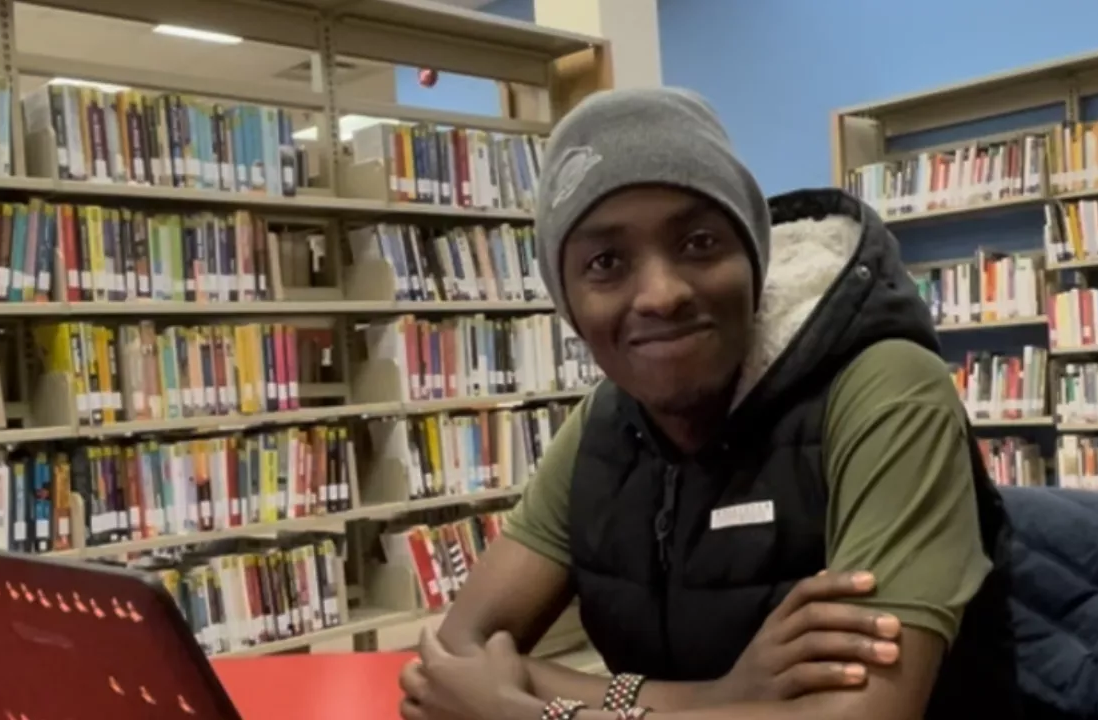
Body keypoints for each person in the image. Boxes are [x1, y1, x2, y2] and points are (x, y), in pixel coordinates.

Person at [398, 87, 1020, 720]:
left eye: (698, 242)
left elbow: (858, 717)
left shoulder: (886, 386)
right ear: (570, 305)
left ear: (753, 259)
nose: (662, 294)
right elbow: (451, 660)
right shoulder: (604, 424)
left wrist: (535, 713)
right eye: (606, 262)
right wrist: (722, 696)